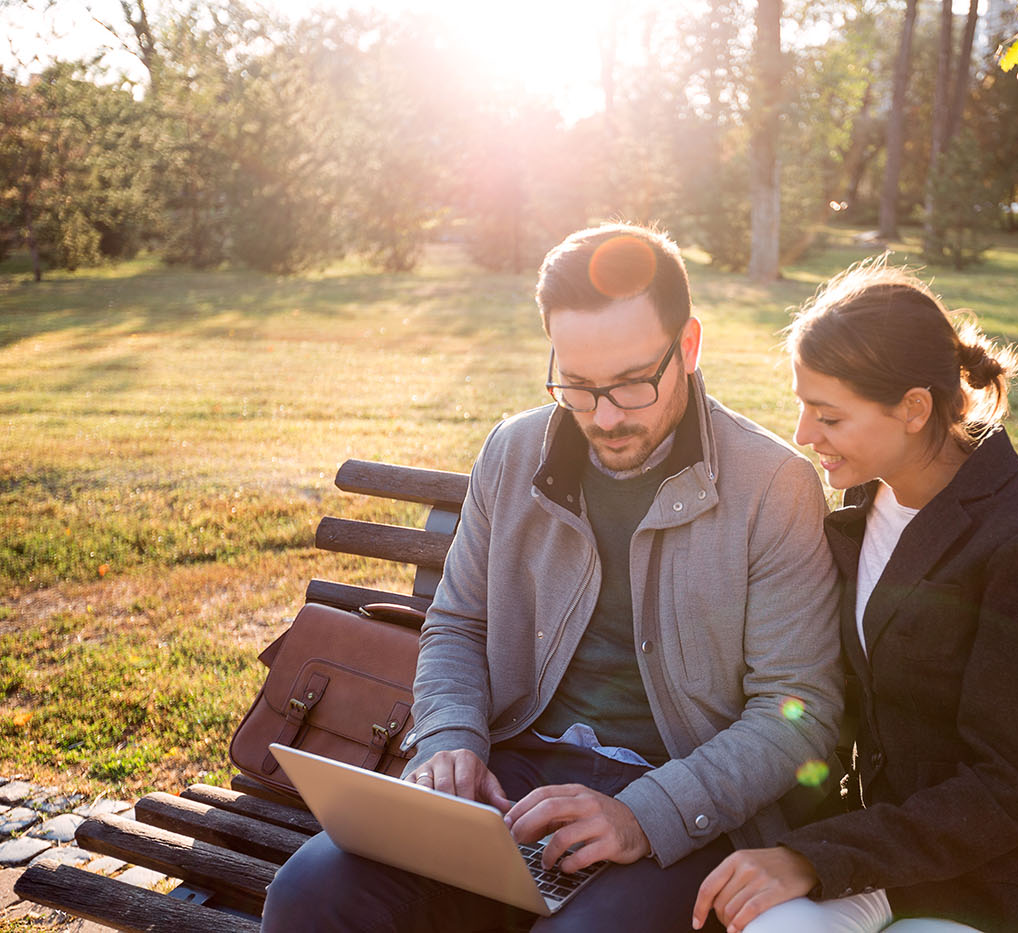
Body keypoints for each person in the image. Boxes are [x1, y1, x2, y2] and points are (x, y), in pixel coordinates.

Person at [261, 224, 844, 932]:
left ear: (688, 347)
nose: (604, 416)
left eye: (632, 384)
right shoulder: (512, 451)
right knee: (311, 895)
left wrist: (642, 813)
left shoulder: (773, 483)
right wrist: (450, 738)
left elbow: (799, 708)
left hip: (682, 805)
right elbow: (458, 623)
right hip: (514, 777)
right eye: (577, 383)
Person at [692, 261, 1018, 933]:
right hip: (888, 862)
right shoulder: (872, 490)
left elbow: (1010, 788)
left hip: (1001, 888)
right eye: (802, 406)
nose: (801, 433)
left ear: (913, 408)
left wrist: (814, 855)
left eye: (828, 415)